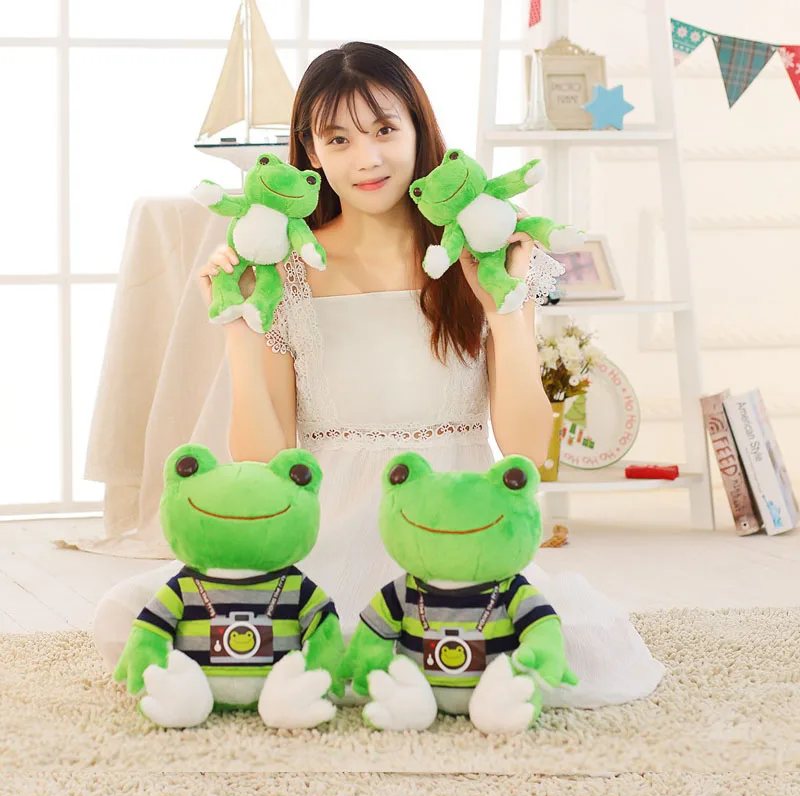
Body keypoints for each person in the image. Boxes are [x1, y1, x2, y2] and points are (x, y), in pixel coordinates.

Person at [93, 41, 663, 708]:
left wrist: (504, 312)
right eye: (338, 139)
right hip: (324, 530)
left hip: (452, 537)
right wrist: (240, 333)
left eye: (385, 130)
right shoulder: (284, 274)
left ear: (420, 132)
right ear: (311, 153)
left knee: (582, 646)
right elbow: (265, 463)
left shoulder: (483, 258)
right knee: (129, 613)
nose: (365, 158)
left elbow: (530, 452)